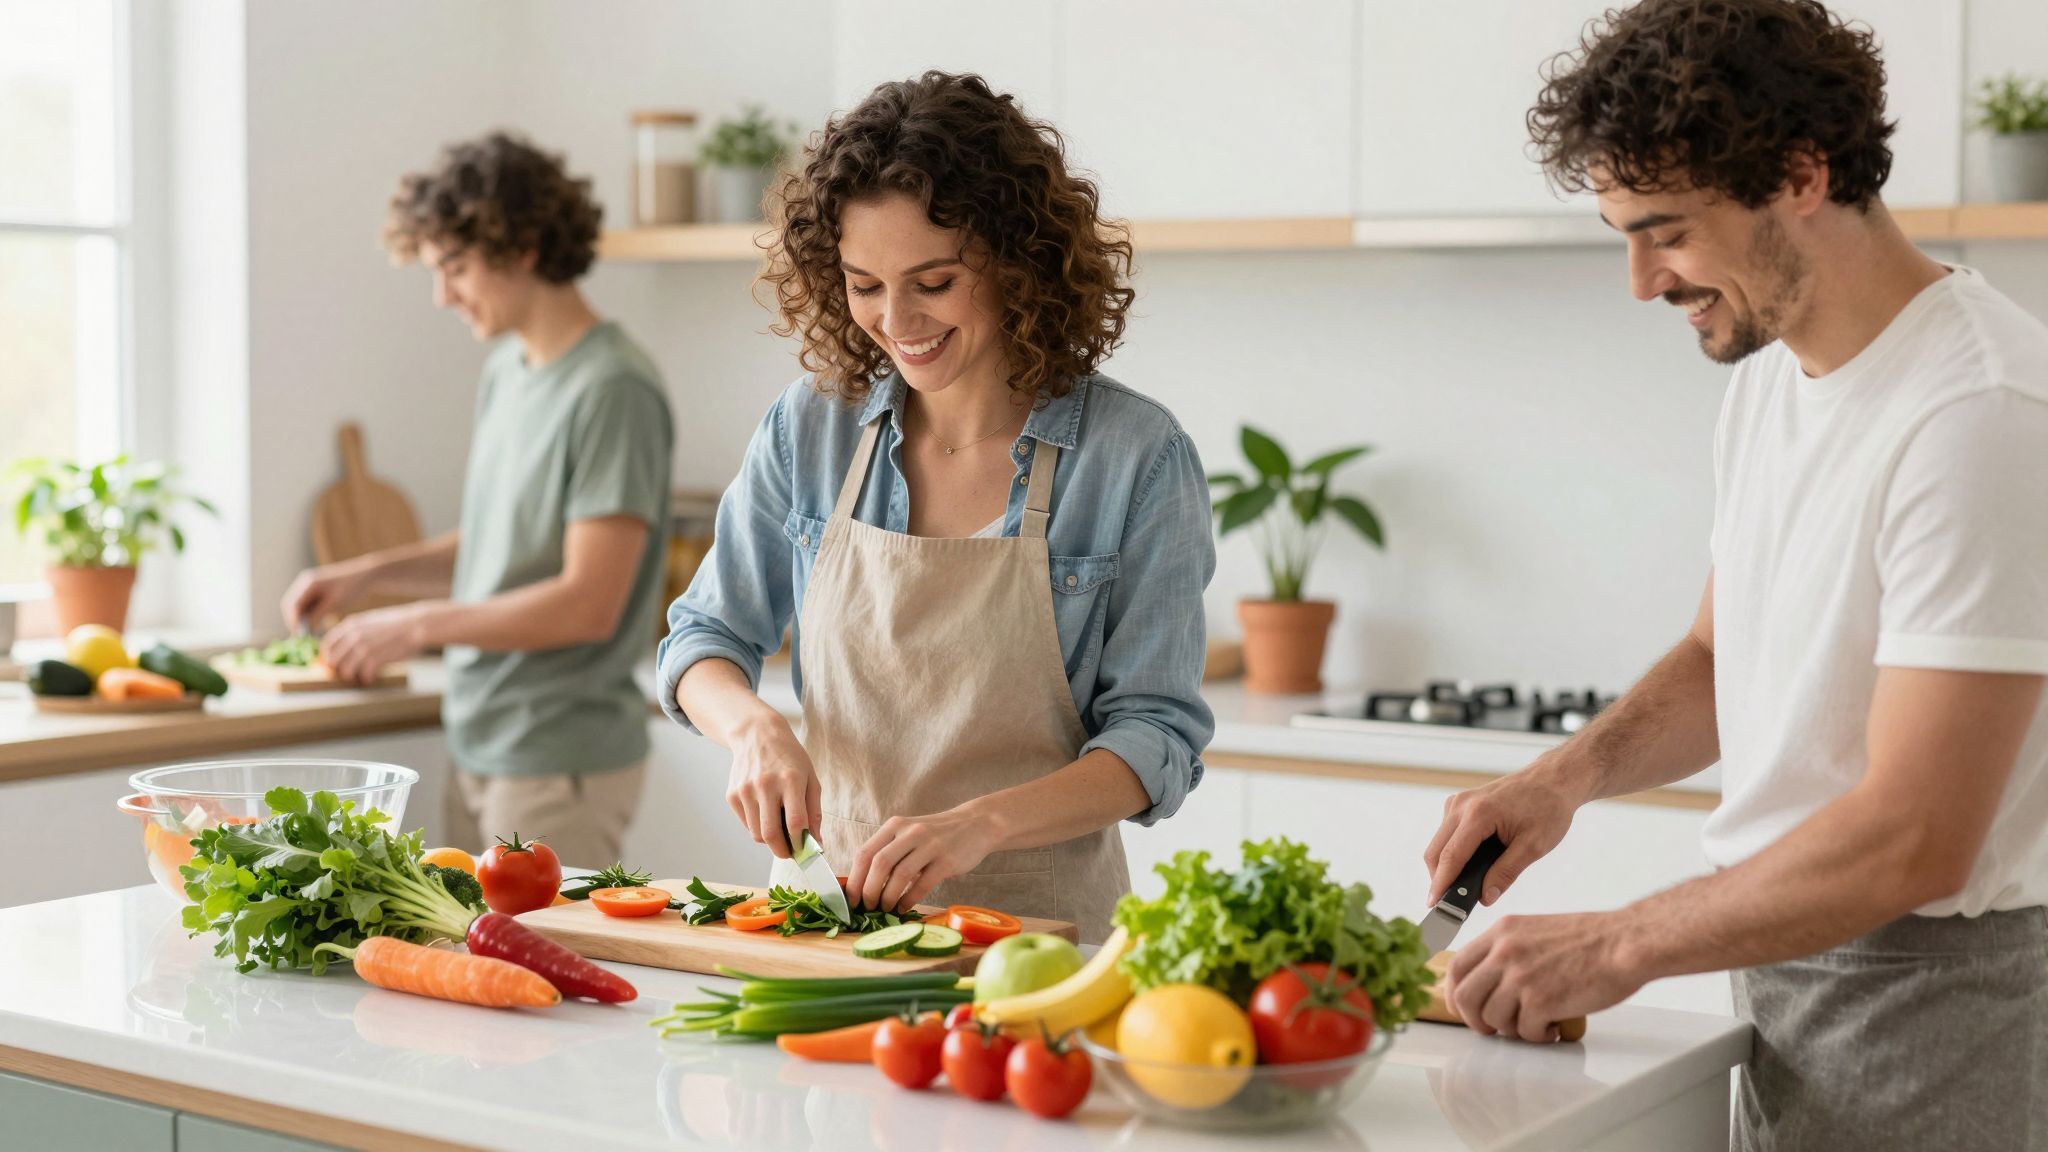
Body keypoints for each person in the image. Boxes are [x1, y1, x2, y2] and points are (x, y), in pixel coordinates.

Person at [1422, 2, 2048, 1148]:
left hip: (1928, 1007)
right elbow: (1726, 656)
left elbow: (1917, 833)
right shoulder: (1773, 376)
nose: (1639, 279)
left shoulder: (1979, 412)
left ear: (1800, 176)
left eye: (1663, 230)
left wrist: (1611, 943)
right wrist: (1562, 780)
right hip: (1781, 977)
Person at [657, 72, 1214, 944]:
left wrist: (980, 824)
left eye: (934, 280)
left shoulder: (1136, 457)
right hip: (822, 923)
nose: (896, 319)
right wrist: (752, 727)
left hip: (1036, 944)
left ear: (1017, 260)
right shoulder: (813, 428)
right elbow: (700, 639)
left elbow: (1157, 740)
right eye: (864, 283)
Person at [284, 132, 675, 867]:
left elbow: (588, 599)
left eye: (455, 267)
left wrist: (415, 626)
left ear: (522, 246)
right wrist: (369, 575)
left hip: (558, 757)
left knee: (532, 978)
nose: (442, 295)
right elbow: (501, 546)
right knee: (463, 972)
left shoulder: (613, 387)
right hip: (481, 740)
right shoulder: (509, 370)